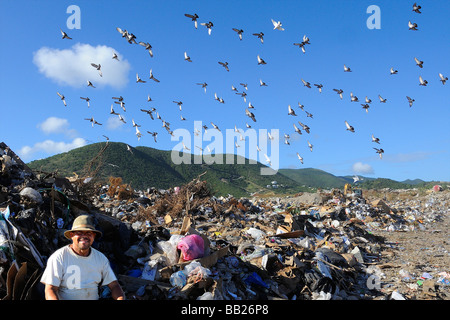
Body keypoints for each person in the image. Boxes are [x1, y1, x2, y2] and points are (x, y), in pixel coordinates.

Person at [40, 214, 125, 300]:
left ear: (94, 236)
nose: (84, 236)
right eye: (79, 233)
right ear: (71, 235)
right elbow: (50, 289)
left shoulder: (100, 259)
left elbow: (114, 285)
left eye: (89, 233)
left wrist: (120, 298)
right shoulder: (59, 257)